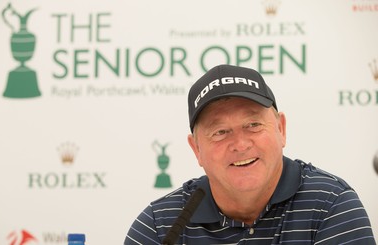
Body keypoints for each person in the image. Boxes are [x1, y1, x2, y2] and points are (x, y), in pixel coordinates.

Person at [124, 64, 376, 244]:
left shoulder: (330, 205)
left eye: (253, 125)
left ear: (281, 129)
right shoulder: (160, 226)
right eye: (220, 131)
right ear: (196, 149)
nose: (240, 143)